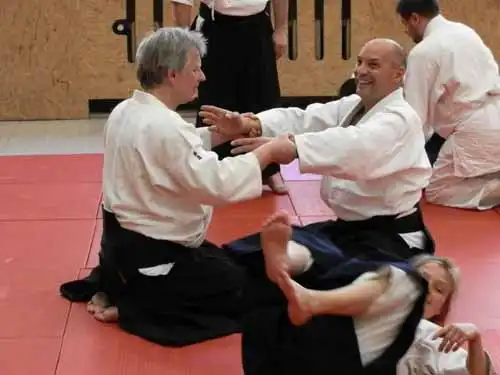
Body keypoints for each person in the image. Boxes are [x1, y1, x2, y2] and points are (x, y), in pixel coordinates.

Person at [58, 27, 298, 347]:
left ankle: (120, 286)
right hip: (154, 260)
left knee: (235, 262)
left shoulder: (127, 111)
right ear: (172, 74)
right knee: (252, 293)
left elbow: (173, 151)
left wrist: (220, 135)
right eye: (195, 68)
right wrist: (266, 152)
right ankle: (140, 305)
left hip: (122, 250)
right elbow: (216, 184)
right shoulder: (163, 126)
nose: (202, 76)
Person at [200, 38, 436, 259]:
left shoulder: (400, 119)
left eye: (373, 65)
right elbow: (305, 119)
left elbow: (354, 146)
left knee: (321, 275)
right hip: (347, 230)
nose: (361, 71)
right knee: (251, 252)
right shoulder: (355, 105)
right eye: (360, 62)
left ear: (398, 74)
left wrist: (293, 148)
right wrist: (249, 123)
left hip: (389, 240)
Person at [244, 214, 493, 374]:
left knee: (405, 284)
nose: (428, 289)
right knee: (330, 255)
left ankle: (306, 289)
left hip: (343, 361)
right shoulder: (378, 295)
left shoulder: (441, 342)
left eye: (440, 290)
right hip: (299, 348)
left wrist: (475, 339)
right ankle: (291, 264)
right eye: (425, 279)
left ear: (442, 308)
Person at [171, 0, 289, 194]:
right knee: (214, 101)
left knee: (263, 97)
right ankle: (208, 169)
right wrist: (184, 39)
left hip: (257, 25)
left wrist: (282, 28)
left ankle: (269, 169)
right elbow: (181, 2)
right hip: (214, 28)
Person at [396, 0, 500, 210]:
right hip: (493, 113)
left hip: (474, 129)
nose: (406, 31)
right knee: (482, 169)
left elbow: (416, 118)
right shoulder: (465, 32)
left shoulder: (423, 52)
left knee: (437, 190)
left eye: (405, 24)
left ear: (415, 18)